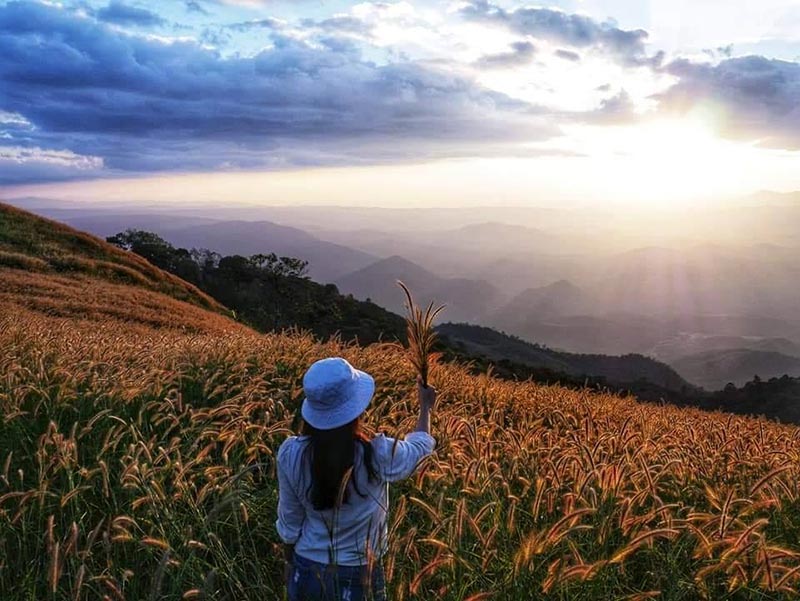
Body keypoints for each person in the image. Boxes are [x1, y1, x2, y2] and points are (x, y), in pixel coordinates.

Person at [276, 357, 437, 601]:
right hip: (360, 576)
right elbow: (420, 448)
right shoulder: (378, 454)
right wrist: (426, 407)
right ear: (355, 410)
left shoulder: (291, 454)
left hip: (306, 569)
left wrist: (290, 565)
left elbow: (290, 524)